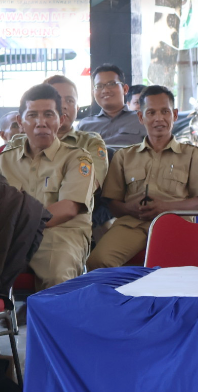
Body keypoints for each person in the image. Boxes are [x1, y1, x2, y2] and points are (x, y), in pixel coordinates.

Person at [88, 85, 198, 269]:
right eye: (151, 112)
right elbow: (113, 203)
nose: (158, 118)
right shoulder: (124, 156)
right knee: (98, 261)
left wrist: (165, 208)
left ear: (174, 115)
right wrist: (128, 208)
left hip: (175, 224)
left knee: (179, 270)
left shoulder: (192, 155)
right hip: (132, 224)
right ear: (141, 117)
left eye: (165, 112)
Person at [0, 85, 95, 288]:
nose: (41, 122)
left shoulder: (77, 159)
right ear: (20, 121)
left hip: (60, 234)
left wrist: (23, 225)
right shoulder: (4, 161)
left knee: (57, 276)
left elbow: (69, 208)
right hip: (11, 236)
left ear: (61, 120)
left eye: (49, 115)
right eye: (32, 115)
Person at [5, 75, 107, 188]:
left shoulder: (90, 142)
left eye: (69, 100)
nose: (63, 106)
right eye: (57, 100)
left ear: (77, 108)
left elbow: (89, 186)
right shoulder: (17, 143)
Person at [78, 65, 146, 148]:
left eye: (111, 84)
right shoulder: (84, 126)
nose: (105, 90)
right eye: (99, 86)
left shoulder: (143, 120)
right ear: (93, 93)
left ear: (125, 89)